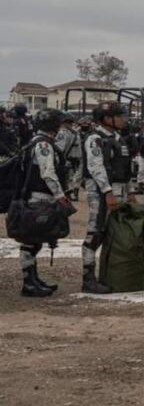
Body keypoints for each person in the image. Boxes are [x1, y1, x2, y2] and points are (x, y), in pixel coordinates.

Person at [80, 102, 134, 294]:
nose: (123, 119)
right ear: (106, 118)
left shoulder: (117, 137)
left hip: (117, 189)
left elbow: (125, 167)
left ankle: (108, 274)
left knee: (112, 232)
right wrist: (107, 192)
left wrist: (130, 191)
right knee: (96, 232)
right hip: (101, 192)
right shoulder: (95, 138)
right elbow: (96, 167)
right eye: (119, 116)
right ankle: (88, 277)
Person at [18, 109, 72, 297]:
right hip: (39, 196)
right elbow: (47, 172)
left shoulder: (38, 141)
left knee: (36, 240)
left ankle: (33, 279)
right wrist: (59, 195)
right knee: (31, 241)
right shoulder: (43, 144)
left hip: (38, 195)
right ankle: (28, 282)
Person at [55, 112, 83, 200]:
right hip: (73, 158)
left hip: (69, 158)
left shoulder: (64, 133)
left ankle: (70, 194)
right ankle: (72, 194)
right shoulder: (73, 133)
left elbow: (59, 148)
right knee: (73, 177)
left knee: (70, 178)